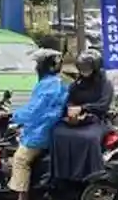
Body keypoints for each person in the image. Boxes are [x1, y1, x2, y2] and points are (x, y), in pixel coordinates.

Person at [6, 48, 69, 200]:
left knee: (20, 159)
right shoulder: (58, 82)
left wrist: (15, 116)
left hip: (41, 131)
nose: (35, 68)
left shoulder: (48, 85)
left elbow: (35, 110)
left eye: (38, 64)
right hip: (45, 128)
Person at [49, 49, 114, 186]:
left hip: (96, 120)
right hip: (76, 121)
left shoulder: (105, 84)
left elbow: (103, 105)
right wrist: (71, 110)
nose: (84, 71)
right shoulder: (77, 84)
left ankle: (94, 177)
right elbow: (69, 99)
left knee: (90, 139)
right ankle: (60, 177)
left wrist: (84, 108)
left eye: (87, 68)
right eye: (82, 68)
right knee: (56, 133)